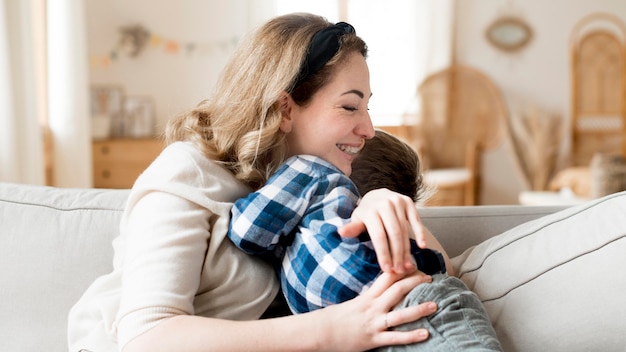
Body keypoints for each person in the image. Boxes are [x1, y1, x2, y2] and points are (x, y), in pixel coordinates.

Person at [68, 13, 439, 352]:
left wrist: (376, 200)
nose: (368, 129)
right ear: (286, 108)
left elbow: (443, 275)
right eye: (349, 106)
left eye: (367, 107)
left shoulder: (309, 188)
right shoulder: (187, 171)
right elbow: (145, 338)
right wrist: (331, 330)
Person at [229, 129, 503, 351]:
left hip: (421, 303)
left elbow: (246, 230)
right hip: (372, 332)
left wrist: (377, 202)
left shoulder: (313, 172)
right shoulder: (308, 214)